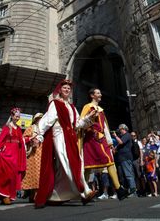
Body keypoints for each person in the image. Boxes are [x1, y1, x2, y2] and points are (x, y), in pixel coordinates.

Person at [35, 79, 97, 208]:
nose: (67, 90)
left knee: (69, 164)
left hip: (70, 138)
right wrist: (39, 134)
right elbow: (48, 120)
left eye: (69, 88)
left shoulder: (72, 107)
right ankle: (85, 192)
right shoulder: (55, 104)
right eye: (64, 88)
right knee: (67, 161)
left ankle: (56, 195)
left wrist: (88, 118)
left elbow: (78, 124)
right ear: (60, 90)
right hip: (59, 135)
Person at [79, 88, 128, 201]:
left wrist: (110, 142)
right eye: (98, 93)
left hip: (101, 139)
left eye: (100, 92)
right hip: (92, 139)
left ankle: (118, 189)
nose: (100, 94)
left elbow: (105, 127)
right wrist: (91, 123)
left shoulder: (100, 110)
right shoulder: (88, 107)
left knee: (104, 162)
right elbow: (81, 123)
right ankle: (85, 192)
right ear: (92, 95)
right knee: (90, 166)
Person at [0, 107, 26, 205]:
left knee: (13, 176)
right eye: (16, 116)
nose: (17, 118)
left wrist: (28, 141)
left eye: (18, 116)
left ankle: (9, 195)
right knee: (5, 174)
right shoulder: (7, 127)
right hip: (7, 154)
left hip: (15, 155)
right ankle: (3, 194)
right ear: (12, 116)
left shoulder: (19, 129)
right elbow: (0, 141)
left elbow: (21, 142)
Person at [22, 112, 44, 202]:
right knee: (34, 175)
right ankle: (32, 194)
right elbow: (24, 138)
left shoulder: (44, 129)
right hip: (33, 155)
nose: (40, 120)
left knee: (40, 174)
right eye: (39, 119)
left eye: (41, 118)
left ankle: (36, 194)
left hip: (42, 154)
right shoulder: (31, 128)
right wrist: (31, 140)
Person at [113, 124, 137, 196]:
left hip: (126, 158)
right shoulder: (122, 137)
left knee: (129, 175)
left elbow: (121, 142)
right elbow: (118, 145)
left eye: (120, 130)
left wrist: (115, 136)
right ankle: (127, 191)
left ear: (124, 129)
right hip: (121, 159)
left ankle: (133, 191)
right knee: (122, 176)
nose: (119, 131)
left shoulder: (127, 135)